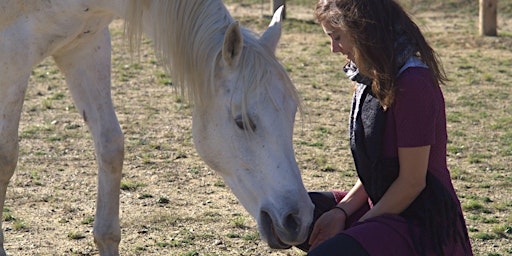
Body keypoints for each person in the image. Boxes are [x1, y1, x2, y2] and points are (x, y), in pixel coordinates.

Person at [295, 0, 474, 255]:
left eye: (336, 37)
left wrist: (355, 231)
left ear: (363, 31)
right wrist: (340, 211)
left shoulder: (414, 84)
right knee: (294, 215)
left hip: (420, 224)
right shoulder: (370, 76)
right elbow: (380, 171)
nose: (334, 49)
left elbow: (412, 183)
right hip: (385, 207)